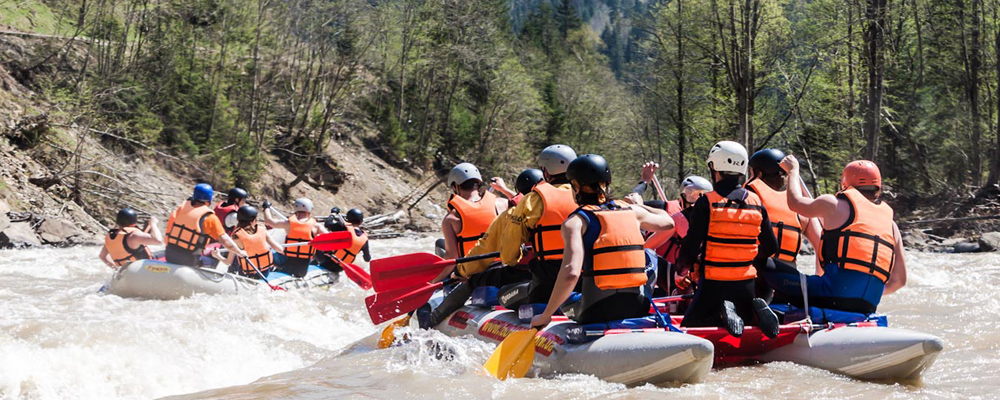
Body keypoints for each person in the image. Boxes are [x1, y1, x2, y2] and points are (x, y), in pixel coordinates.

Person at [418, 145, 578, 329]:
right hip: (578, 279)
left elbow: (506, 254)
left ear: (546, 172)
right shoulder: (584, 199)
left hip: (538, 279)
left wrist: (460, 272)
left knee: (474, 280)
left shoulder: (531, 203)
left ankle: (431, 321)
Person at [530, 154, 675, 327]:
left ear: (575, 186)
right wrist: (638, 204)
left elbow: (571, 274)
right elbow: (668, 222)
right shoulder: (633, 212)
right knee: (649, 255)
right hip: (637, 307)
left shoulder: (576, 223)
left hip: (595, 311)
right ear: (607, 183)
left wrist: (545, 316)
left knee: (566, 301)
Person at [759, 157, 907, 315]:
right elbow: (899, 281)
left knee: (761, 262)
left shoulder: (833, 204)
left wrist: (793, 171)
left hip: (829, 295)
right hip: (867, 305)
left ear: (845, 183)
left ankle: (754, 312)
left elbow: (795, 203)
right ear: (877, 188)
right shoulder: (891, 225)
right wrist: (860, 295)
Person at [677, 141, 780, 338]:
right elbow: (771, 246)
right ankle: (753, 310)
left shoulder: (706, 202)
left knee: (688, 329)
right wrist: (746, 259)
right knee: (743, 317)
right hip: (746, 285)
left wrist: (682, 271)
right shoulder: (756, 203)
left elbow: (690, 246)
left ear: (713, 167)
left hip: (713, 285)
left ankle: (726, 311)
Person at [165, 184, 245, 266]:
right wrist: (240, 252)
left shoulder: (181, 208)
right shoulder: (209, 217)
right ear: (209, 200)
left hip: (170, 254)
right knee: (212, 262)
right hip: (189, 260)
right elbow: (225, 241)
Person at [441, 163, 507, 259]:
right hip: (502, 267)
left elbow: (452, 257)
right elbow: (525, 203)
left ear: (456, 186)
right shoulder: (502, 204)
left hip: (471, 272)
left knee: (440, 244)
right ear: (479, 183)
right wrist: (504, 189)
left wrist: (438, 274)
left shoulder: (451, 219)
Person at [264, 197, 327, 278]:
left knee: (269, 250)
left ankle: (268, 272)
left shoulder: (288, 224)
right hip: (302, 270)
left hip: (285, 264)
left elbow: (269, 221)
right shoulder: (317, 226)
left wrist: (266, 208)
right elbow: (330, 238)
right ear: (309, 209)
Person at [213, 206, 283, 278]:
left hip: (247, 275)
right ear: (253, 221)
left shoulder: (236, 237)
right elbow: (280, 249)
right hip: (265, 272)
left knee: (237, 259)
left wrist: (217, 255)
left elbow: (228, 262)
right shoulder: (263, 230)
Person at [99, 208, 163, 269]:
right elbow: (158, 240)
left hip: (126, 271)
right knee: (166, 252)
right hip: (144, 268)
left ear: (117, 222)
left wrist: (117, 269)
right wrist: (153, 224)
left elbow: (102, 256)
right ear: (133, 223)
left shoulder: (110, 237)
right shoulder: (133, 235)